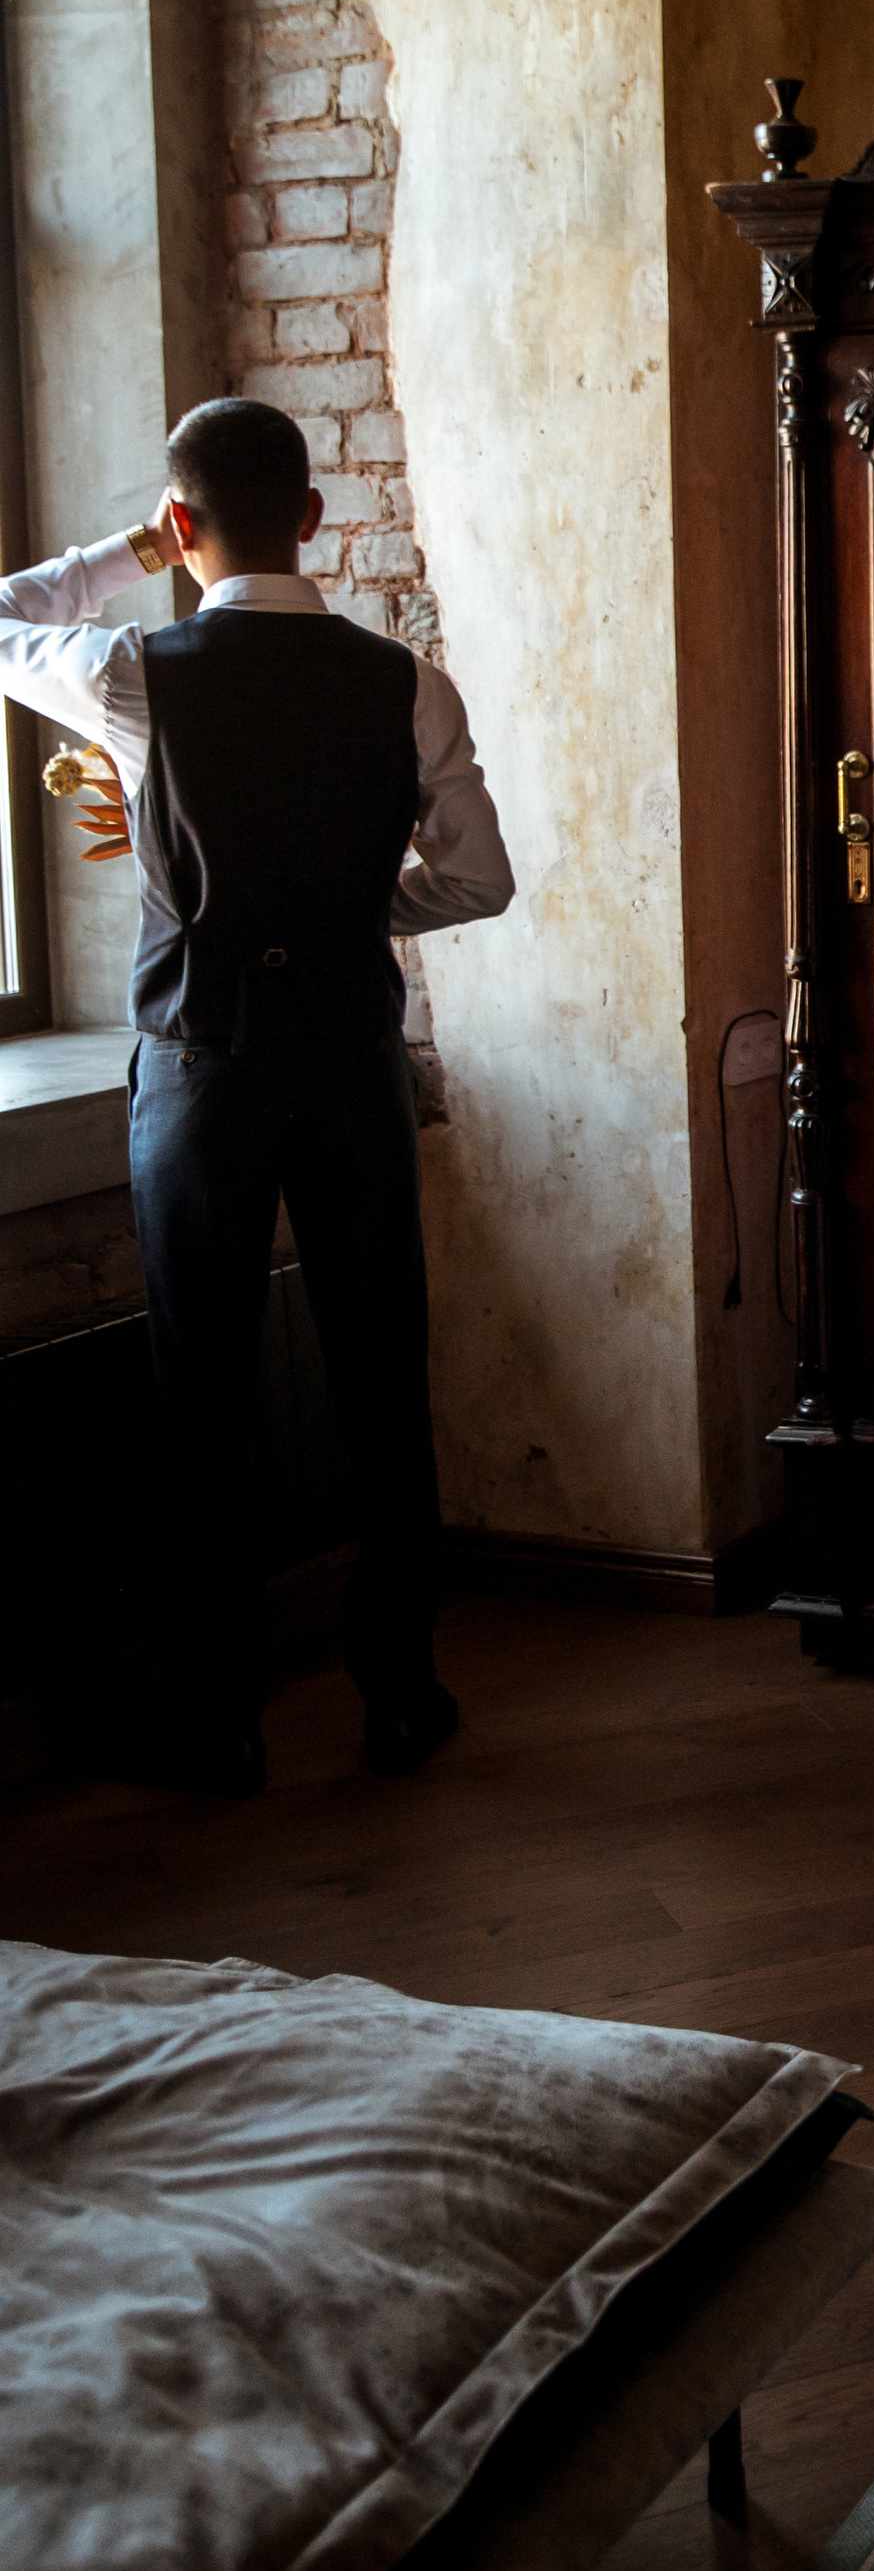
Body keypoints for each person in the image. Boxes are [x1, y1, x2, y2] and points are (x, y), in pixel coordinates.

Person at [0, 396, 513, 1794]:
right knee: (380, 1374)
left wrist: (122, 551)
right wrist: (354, 912)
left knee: (202, 1391)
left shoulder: (126, 672)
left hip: (201, 1071)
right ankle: (400, 1695)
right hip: (348, 1058)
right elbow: (481, 883)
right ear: (314, 518)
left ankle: (219, 1720)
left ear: (182, 526)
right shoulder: (405, 681)